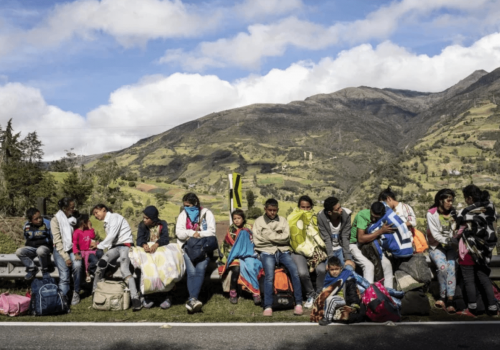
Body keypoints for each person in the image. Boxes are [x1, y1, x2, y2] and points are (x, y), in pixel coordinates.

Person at [253, 198, 303, 317]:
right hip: (266, 252)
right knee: (269, 275)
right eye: (270, 210)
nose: (272, 213)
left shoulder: (283, 221)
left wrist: (267, 235)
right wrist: (277, 236)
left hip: (283, 251)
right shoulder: (258, 222)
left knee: (294, 271)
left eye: (274, 210)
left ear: (277, 210)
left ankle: (298, 303)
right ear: (265, 209)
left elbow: (286, 237)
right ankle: (268, 305)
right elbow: (258, 241)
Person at [456, 185, 498, 317]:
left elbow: (459, 230)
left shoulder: (466, 212)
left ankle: (472, 309)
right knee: (484, 278)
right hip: (484, 250)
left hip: (469, 249)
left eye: (465, 199)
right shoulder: (490, 208)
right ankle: (492, 308)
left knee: (469, 280)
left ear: (469, 198)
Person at [91, 204, 142, 311]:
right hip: (115, 247)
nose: (96, 215)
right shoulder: (106, 223)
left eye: (96, 212)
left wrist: (98, 245)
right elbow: (111, 242)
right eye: (94, 214)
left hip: (125, 246)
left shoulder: (114, 217)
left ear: (103, 210)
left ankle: (135, 299)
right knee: (101, 264)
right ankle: (95, 292)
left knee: (124, 270)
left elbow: (111, 236)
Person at [175, 193, 216, 313]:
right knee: (191, 272)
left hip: (204, 248)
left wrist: (200, 234)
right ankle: (194, 300)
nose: (186, 208)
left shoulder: (207, 214)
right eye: (185, 206)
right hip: (188, 248)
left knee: (200, 269)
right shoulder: (183, 215)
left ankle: (192, 299)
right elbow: (179, 233)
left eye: (189, 205)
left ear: (195, 204)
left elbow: (211, 232)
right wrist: (192, 233)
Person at [288, 196, 327, 309]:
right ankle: (310, 294)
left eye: (308, 207)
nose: (305, 210)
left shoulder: (316, 218)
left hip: (315, 250)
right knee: (302, 273)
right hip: (298, 250)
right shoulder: (292, 217)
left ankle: (319, 295)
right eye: (302, 207)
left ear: (312, 207)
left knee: (321, 270)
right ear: (298, 206)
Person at [219, 209, 262, 305]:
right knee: (236, 269)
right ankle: (233, 292)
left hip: (249, 254)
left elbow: (254, 241)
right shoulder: (231, 230)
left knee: (251, 267)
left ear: (243, 218)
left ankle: (255, 292)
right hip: (233, 254)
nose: (237, 220)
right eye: (234, 219)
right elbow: (227, 245)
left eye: (239, 218)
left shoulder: (249, 228)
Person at [426, 189, 458, 314]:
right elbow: (435, 234)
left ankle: (450, 300)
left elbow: (455, 231)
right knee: (442, 267)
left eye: (452, 201)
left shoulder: (454, 213)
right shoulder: (431, 214)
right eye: (448, 200)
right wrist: (450, 240)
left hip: (450, 246)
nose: (450, 203)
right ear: (440, 200)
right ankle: (442, 296)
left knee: (452, 266)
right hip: (437, 246)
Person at [352, 202, 396, 288]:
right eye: (373, 216)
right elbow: (361, 238)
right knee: (369, 266)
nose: (374, 219)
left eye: (377, 218)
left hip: (372, 244)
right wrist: (380, 231)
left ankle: (389, 294)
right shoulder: (362, 215)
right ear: (370, 211)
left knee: (387, 264)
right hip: (355, 244)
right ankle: (369, 296)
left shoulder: (383, 217)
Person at [136, 205, 171, 309]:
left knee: (163, 268)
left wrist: (156, 244)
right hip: (148, 251)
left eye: (147, 218)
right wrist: (144, 244)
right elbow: (139, 239)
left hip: (159, 250)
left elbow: (165, 238)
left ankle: (166, 295)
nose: (144, 220)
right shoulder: (142, 225)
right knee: (147, 269)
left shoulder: (162, 224)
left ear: (153, 219)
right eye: (144, 218)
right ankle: (147, 295)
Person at [312, 256, 361, 325]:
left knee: (331, 300)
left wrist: (354, 304)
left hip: (344, 300)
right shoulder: (327, 278)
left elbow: (352, 291)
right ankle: (334, 315)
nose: (334, 272)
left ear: (341, 268)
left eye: (336, 269)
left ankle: (327, 318)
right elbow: (325, 292)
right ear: (328, 269)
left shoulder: (346, 276)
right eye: (332, 270)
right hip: (333, 303)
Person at [52, 197, 83, 305]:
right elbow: (58, 242)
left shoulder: (74, 219)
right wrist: (65, 257)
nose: (73, 209)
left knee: (78, 266)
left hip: (73, 248)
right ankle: (63, 299)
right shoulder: (55, 220)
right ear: (65, 208)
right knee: (64, 275)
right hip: (61, 249)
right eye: (71, 207)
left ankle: (76, 292)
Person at [317, 197, 355, 270]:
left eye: (340, 207)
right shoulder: (321, 217)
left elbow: (345, 236)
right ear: (330, 212)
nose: (341, 210)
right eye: (337, 209)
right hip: (328, 249)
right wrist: (331, 259)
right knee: (329, 270)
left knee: (349, 268)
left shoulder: (346, 215)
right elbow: (326, 238)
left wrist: (347, 258)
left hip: (341, 248)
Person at [16, 208, 53, 281]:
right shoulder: (26, 226)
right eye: (36, 219)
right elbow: (26, 237)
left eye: (40, 217)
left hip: (45, 248)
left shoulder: (47, 224)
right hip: (32, 248)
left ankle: (44, 270)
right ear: (30, 220)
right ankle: (32, 268)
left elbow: (52, 237)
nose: (39, 220)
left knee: (40, 251)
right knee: (19, 251)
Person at [72, 214, 96, 284]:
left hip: (89, 251)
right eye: (88, 221)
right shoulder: (76, 232)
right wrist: (76, 254)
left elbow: (93, 236)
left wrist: (90, 227)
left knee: (94, 261)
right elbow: (74, 243)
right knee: (83, 265)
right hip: (82, 252)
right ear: (83, 222)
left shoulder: (88, 230)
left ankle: (89, 271)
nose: (89, 222)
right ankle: (85, 278)